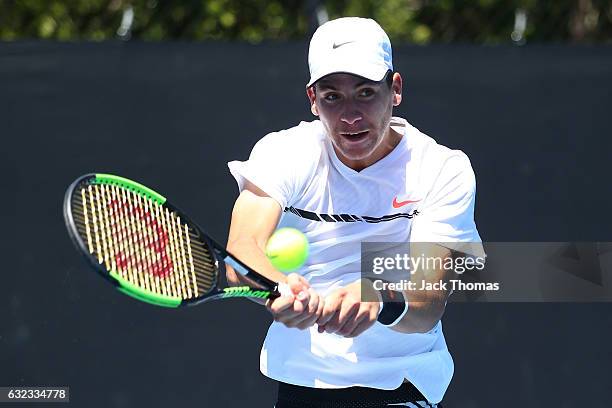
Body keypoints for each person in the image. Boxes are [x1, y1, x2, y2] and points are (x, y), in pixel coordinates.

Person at [226, 17, 483, 407]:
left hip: (401, 383)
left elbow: (429, 300)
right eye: (333, 97)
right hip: (302, 383)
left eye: (365, 93)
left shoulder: (442, 168)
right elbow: (241, 254)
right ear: (312, 99)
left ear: (394, 89)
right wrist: (278, 288)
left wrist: (378, 298)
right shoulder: (285, 154)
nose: (350, 116)